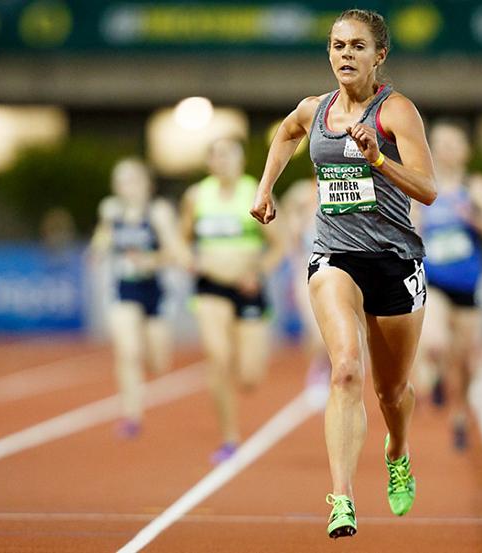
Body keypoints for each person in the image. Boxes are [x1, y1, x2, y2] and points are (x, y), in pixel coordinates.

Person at [249, 9, 437, 539]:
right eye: (337, 45)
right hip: (335, 257)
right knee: (345, 370)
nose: (345, 55)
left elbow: (427, 189)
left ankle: (397, 450)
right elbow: (286, 134)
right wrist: (264, 190)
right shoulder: (316, 109)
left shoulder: (396, 111)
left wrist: (379, 160)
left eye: (357, 46)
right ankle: (342, 498)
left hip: (396, 261)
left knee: (392, 390)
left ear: (380, 56)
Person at [411, 120, 482, 451]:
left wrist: (473, 217)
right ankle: (438, 372)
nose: (446, 150)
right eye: (439, 144)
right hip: (434, 281)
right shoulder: (422, 187)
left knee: (467, 358)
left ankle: (459, 414)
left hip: (467, 286)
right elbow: (409, 232)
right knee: (437, 342)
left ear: (465, 151)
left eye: (453, 144)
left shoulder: (477, 187)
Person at [181, 137, 284, 464]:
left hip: (248, 288)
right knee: (218, 356)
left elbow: (280, 244)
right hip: (211, 286)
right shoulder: (197, 196)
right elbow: (183, 238)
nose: (221, 160)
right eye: (215, 155)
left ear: (240, 160)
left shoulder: (256, 192)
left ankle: (244, 374)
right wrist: (190, 260)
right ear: (209, 162)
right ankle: (229, 436)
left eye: (227, 155)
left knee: (250, 376)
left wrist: (259, 272)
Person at [87, 158, 184, 439]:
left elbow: (175, 251)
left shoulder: (158, 212)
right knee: (128, 352)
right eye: (122, 181)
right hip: (124, 288)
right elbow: (102, 238)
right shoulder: (110, 210)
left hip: (155, 289)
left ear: (147, 184)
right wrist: (97, 250)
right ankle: (131, 416)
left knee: (158, 363)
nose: (128, 187)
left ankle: (148, 373)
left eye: (133, 180)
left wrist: (150, 260)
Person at [281, 177, 331, 401]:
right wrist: (296, 219)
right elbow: (285, 227)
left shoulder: (351, 185)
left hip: (340, 270)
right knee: (316, 330)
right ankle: (318, 370)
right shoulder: (302, 192)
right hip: (307, 271)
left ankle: (331, 368)